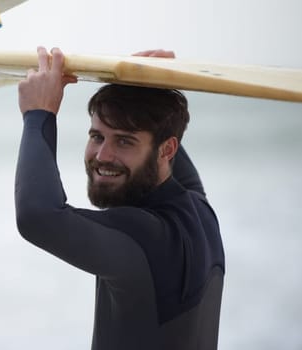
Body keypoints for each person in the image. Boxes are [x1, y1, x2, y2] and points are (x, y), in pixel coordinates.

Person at [14, 47, 226, 349]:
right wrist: (151, 85)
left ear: (167, 150)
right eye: (97, 136)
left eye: (124, 141)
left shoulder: (146, 236)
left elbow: (38, 216)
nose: (103, 156)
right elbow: (163, 150)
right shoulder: (201, 213)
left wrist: (38, 115)